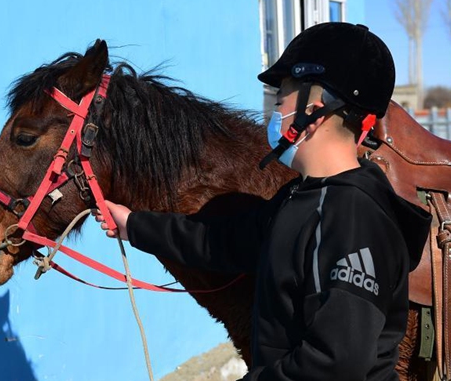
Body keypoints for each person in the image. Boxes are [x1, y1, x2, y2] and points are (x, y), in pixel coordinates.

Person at [98, 23, 432, 380]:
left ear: (314, 111)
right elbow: (222, 240)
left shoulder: (354, 217)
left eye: (280, 100)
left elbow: (337, 364)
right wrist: (134, 225)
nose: (274, 112)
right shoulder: (301, 197)